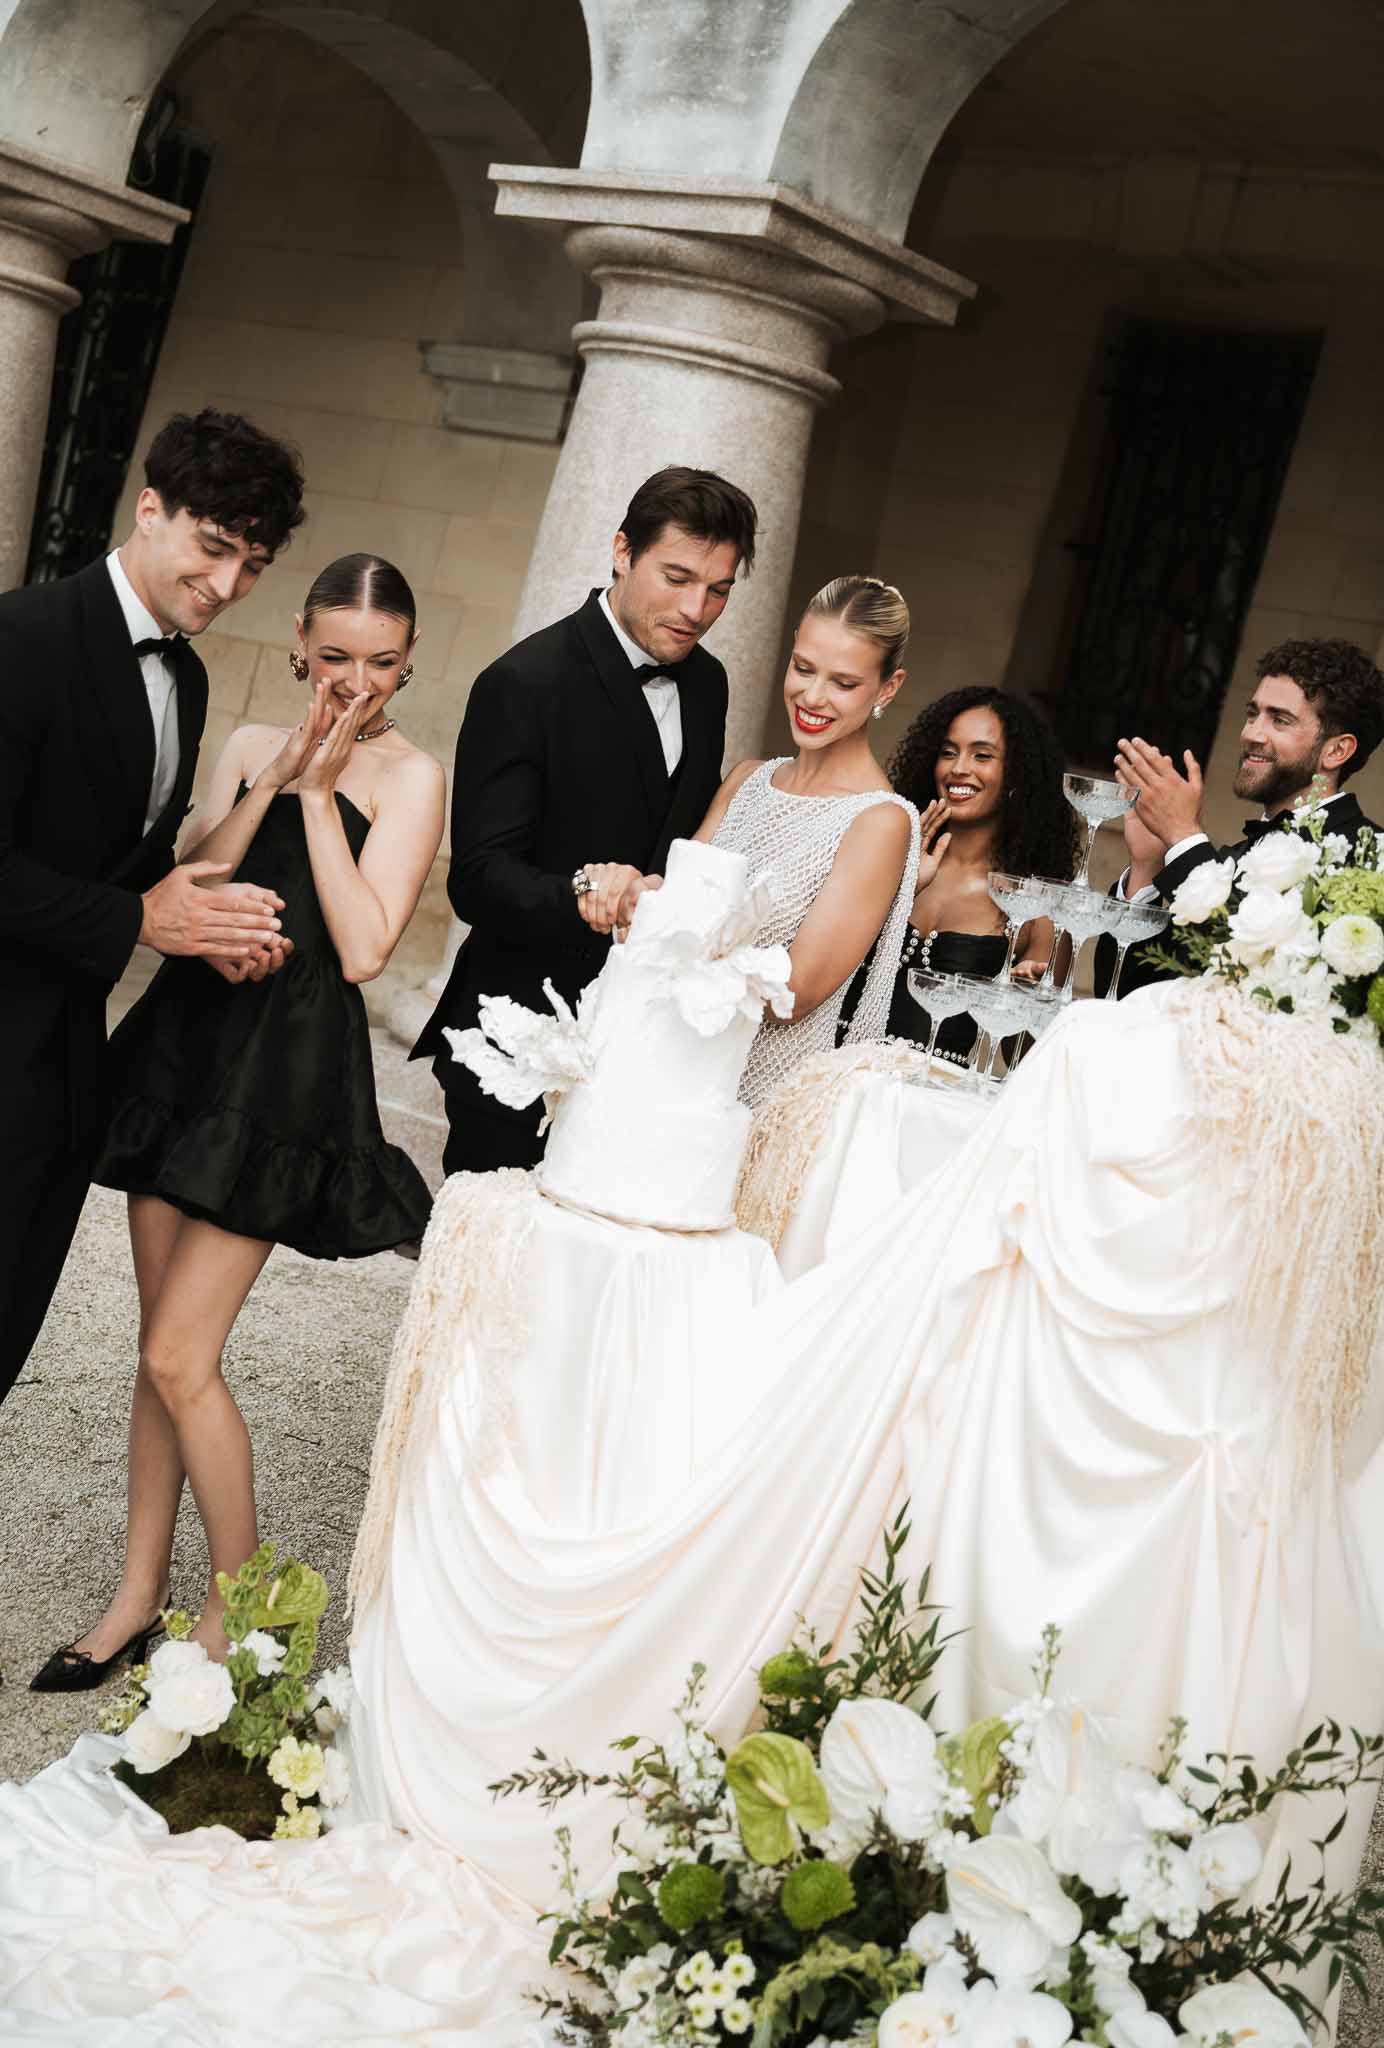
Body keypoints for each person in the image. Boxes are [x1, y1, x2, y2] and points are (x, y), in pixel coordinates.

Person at [28, 554, 442, 1690]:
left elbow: (363, 947)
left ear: (409, 663)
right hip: (183, 1047)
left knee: (180, 1352)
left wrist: (319, 797)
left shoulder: (411, 776)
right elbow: (185, 876)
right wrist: (274, 778)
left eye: (383, 663)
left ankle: (239, 1618)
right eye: (337, 657)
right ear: (302, 642)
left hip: (287, 1074)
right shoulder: (252, 740)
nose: (355, 683)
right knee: (155, 1354)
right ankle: (134, 1595)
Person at [0, 407, 306, 1396]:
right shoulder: (22, 636)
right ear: (149, 507)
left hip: (63, 1072)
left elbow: (132, 866)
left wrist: (209, 926)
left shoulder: (192, 677)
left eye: (253, 564)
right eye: (213, 549)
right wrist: (139, 922)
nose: (227, 586)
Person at [413, 465, 759, 1174]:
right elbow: (476, 880)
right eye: (677, 577)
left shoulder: (709, 683)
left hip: (642, 1039)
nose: (697, 608)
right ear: (622, 551)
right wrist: (583, 892)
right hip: (517, 1034)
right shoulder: (522, 682)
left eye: (718, 589)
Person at [685, 575, 921, 1109]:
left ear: (888, 688)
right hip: (666, 1065)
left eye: (843, 682)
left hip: (754, 1101)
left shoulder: (879, 822)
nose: (812, 696)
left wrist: (675, 942)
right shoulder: (746, 781)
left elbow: (794, 993)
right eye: (804, 668)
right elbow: (674, 900)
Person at [1103, 637, 1384, 995]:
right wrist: (1147, 868)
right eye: (1253, 714)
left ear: (1337, 751)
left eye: (1279, 720)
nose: (1251, 733)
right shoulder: (1229, 859)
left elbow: (1256, 979)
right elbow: (1121, 994)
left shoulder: (1370, 859)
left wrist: (1184, 838)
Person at [882, 686, 1077, 1060]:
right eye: (948, 752)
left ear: (1017, 773)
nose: (959, 768)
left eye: (982, 755)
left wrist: (1030, 1005)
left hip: (928, 1103)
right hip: (835, 1076)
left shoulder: (1038, 909)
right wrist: (899, 881)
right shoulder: (891, 855)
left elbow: (1023, 1058)